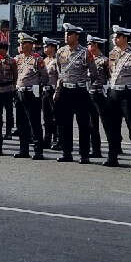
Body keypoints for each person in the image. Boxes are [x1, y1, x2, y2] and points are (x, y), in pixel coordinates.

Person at [104, 26, 131, 169]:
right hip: (115, 93)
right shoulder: (112, 53)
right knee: (112, 127)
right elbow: (110, 72)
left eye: (117, 37)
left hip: (129, 94)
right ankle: (112, 157)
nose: (114, 39)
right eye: (114, 37)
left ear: (125, 38)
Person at [53, 23, 95, 164]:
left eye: (69, 34)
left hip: (80, 91)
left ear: (77, 36)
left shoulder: (85, 52)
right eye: (66, 33)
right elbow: (59, 71)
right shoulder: (60, 52)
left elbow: (94, 72)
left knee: (83, 123)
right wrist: (58, 90)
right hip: (65, 90)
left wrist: (85, 82)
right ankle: (67, 153)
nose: (66, 36)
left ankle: (84, 154)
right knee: (65, 123)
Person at [11, 33, 47, 160]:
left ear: (30, 45)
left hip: (32, 93)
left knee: (35, 123)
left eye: (23, 43)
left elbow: (44, 77)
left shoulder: (37, 59)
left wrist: (38, 88)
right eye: (20, 43)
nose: (21, 45)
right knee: (21, 123)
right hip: (20, 92)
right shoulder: (17, 59)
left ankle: (38, 151)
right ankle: (23, 150)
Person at [86, 36, 109, 159]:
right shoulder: (88, 60)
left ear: (95, 45)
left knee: (107, 123)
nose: (88, 47)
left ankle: (114, 149)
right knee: (92, 124)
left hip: (101, 94)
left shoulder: (105, 61)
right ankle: (96, 149)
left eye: (90, 44)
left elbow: (110, 77)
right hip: (90, 94)